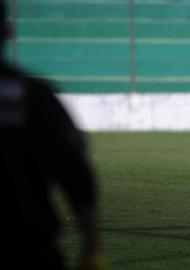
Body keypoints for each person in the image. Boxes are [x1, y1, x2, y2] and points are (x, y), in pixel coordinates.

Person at [0, 1, 105, 269]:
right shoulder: (32, 95)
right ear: (7, 33)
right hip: (27, 246)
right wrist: (92, 245)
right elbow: (76, 176)